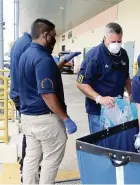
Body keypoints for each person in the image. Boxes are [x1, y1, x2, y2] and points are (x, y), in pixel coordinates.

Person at [18, 18, 79, 184]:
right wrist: (66, 119)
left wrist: (63, 61)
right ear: (45, 35)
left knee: (31, 158)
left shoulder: (26, 55)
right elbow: (46, 94)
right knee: (51, 160)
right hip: (45, 120)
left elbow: (45, 74)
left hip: (28, 118)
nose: (55, 39)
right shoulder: (43, 58)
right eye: (53, 36)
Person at [77, 22, 132, 133]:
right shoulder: (94, 56)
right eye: (113, 42)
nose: (116, 44)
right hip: (98, 111)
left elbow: (126, 77)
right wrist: (99, 98)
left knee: (115, 138)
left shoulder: (123, 54)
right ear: (104, 38)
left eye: (119, 41)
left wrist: (131, 94)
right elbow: (81, 83)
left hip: (117, 107)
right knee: (100, 141)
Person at [9, 32, 32, 182]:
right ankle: (27, 169)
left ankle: (26, 167)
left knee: (29, 131)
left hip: (18, 93)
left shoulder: (20, 42)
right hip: (24, 95)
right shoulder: (28, 45)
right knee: (31, 134)